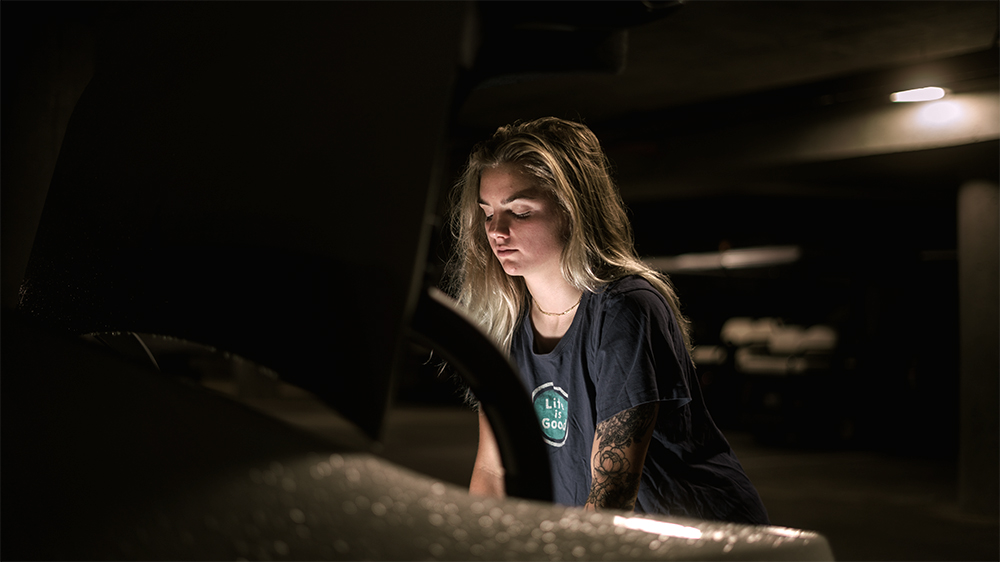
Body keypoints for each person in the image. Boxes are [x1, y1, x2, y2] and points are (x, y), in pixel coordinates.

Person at [444, 117, 768, 524]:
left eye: (521, 211)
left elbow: (612, 494)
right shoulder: (506, 321)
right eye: (487, 212)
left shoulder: (625, 309)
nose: (496, 230)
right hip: (608, 539)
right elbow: (494, 471)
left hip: (704, 540)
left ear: (572, 211)